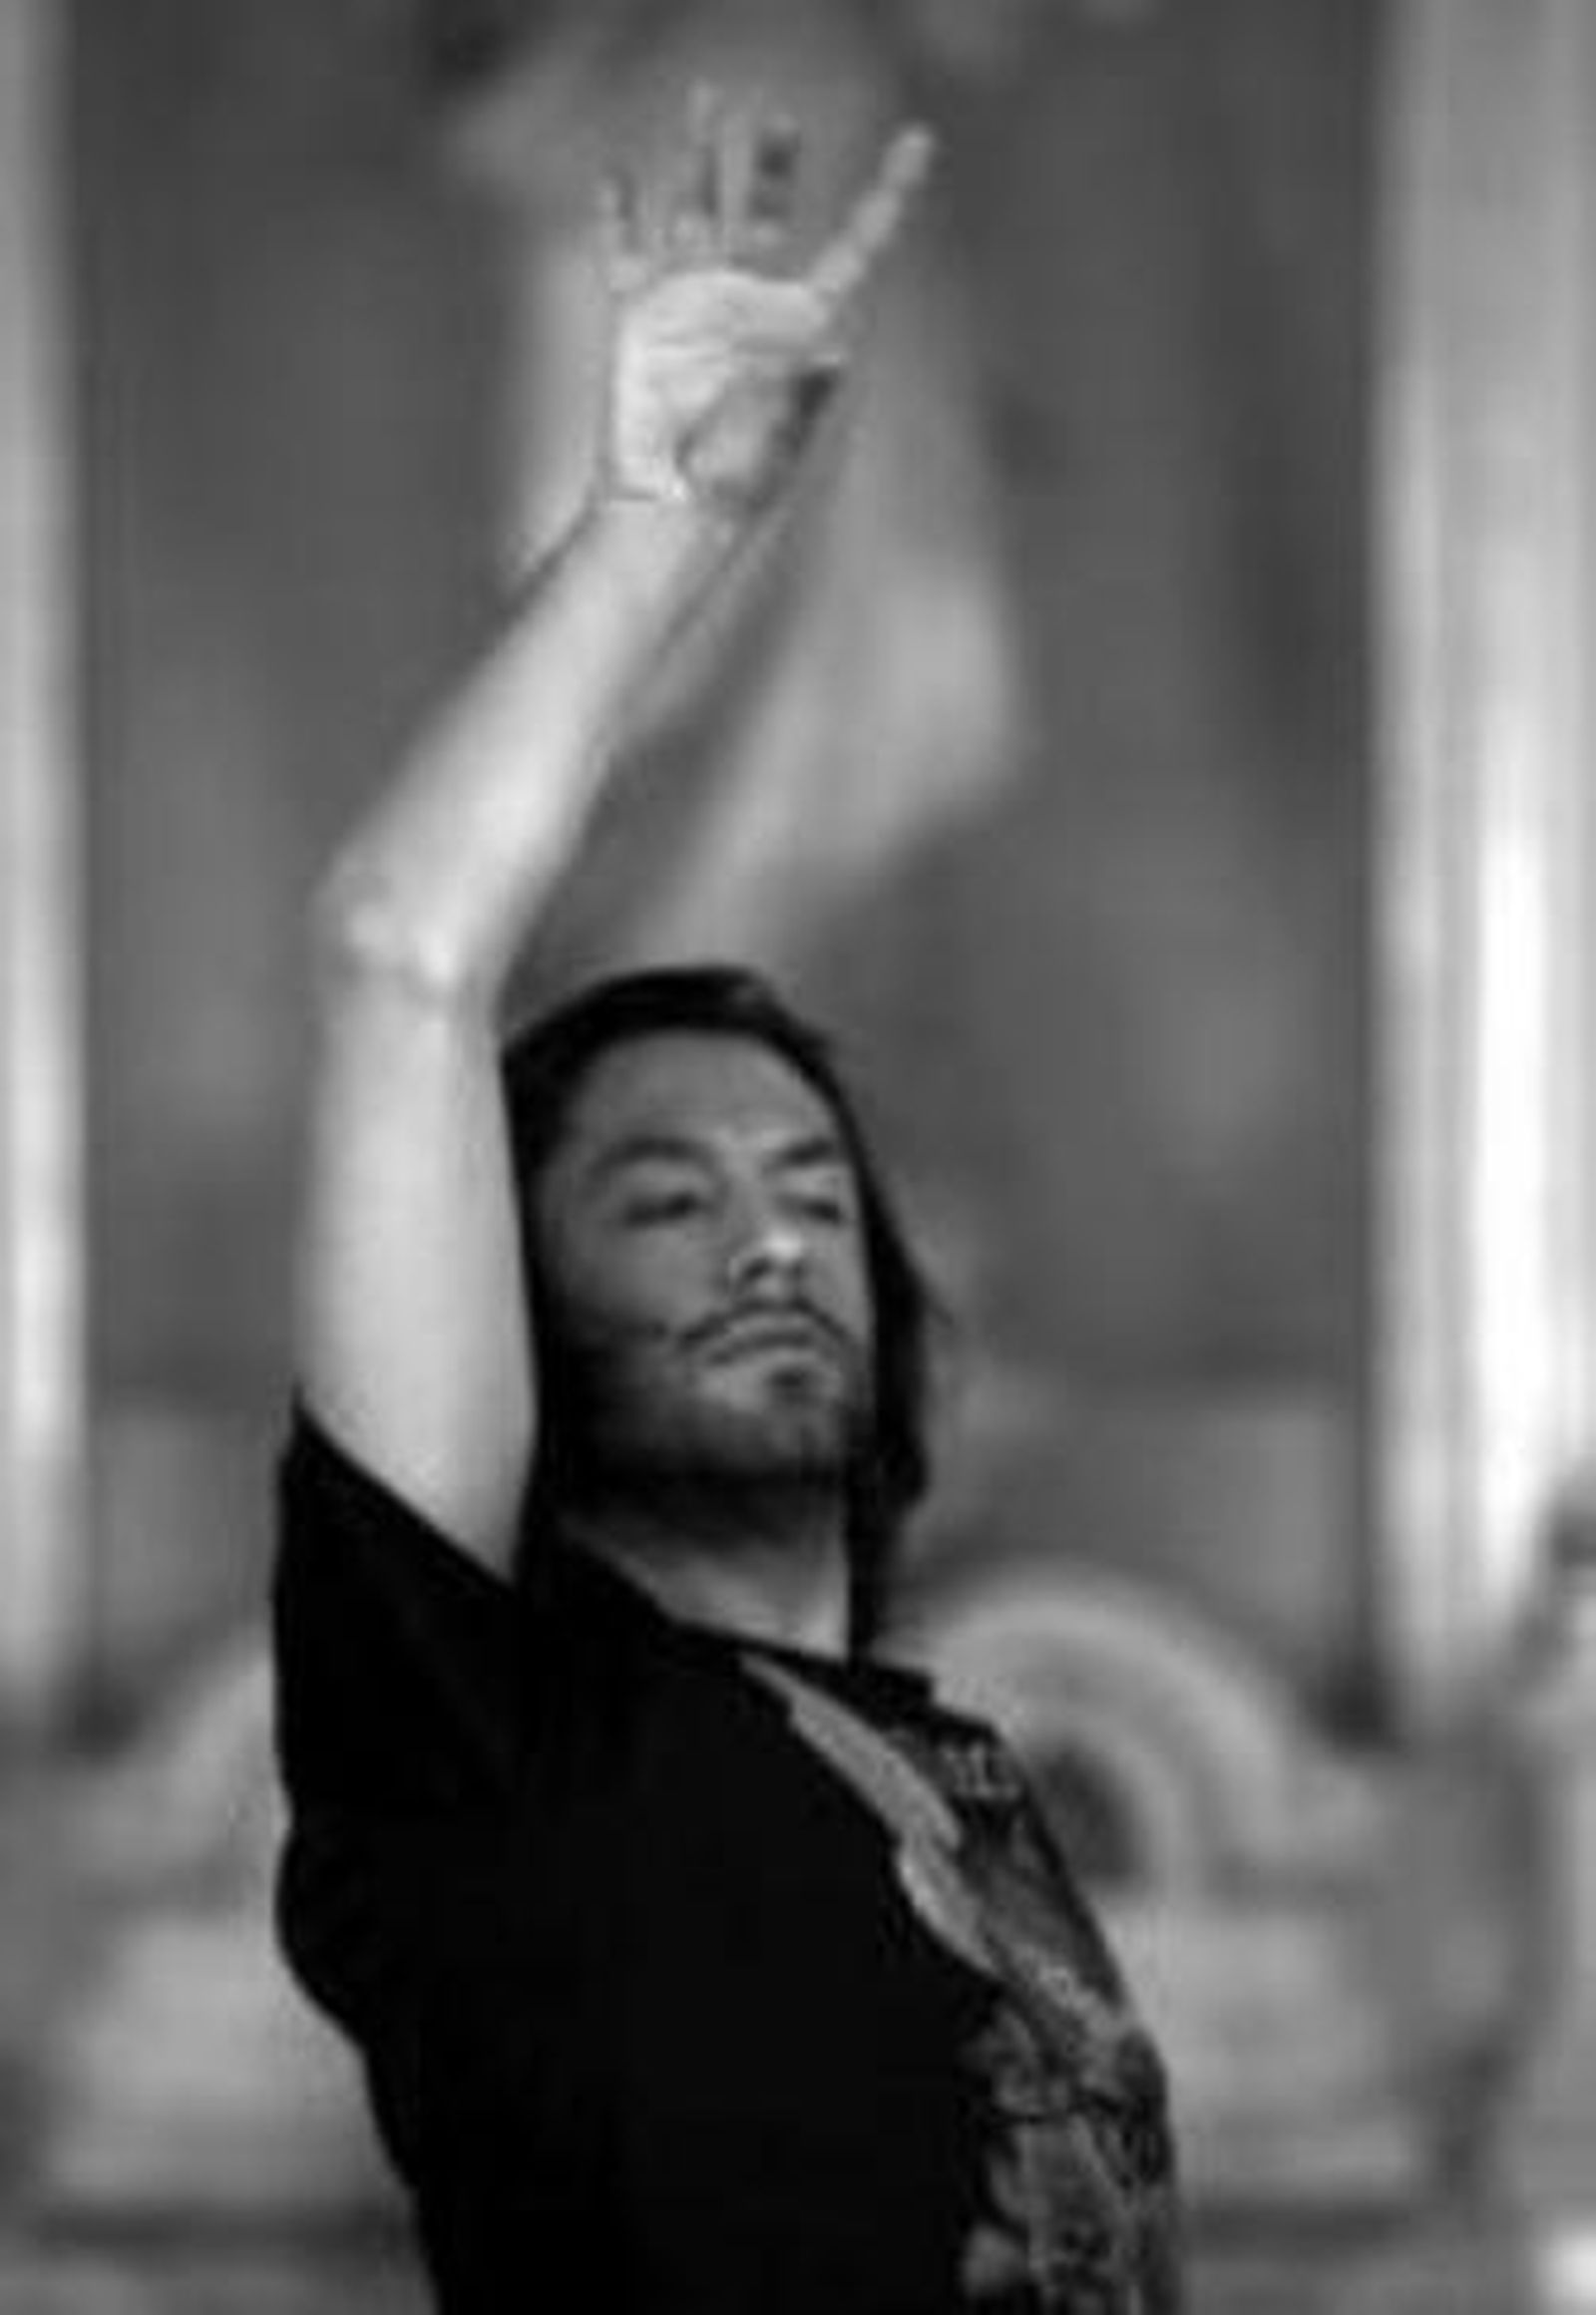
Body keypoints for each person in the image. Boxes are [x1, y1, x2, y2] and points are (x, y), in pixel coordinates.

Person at [271, 88, 1182, 2314]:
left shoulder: (957, 1772)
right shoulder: (486, 1738)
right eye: (662, 1199)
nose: (770, 1238)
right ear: (505, 1307)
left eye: (809, 1193)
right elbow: (401, 959)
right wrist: (651, 533)